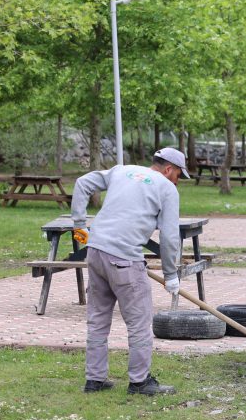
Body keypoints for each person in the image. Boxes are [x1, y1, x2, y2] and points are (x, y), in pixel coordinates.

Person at [70, 147, 190, 396]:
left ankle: (95, 380)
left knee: (97, 319)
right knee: (138, 322)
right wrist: (171, 275)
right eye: (179, 175)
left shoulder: (120, 171)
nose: (178, 181)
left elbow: (82, 183)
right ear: (168, 169)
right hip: (125, 260)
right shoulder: (167, 188)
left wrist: (80, 224)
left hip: (95, 252)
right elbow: (169, 237)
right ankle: (139, 382)